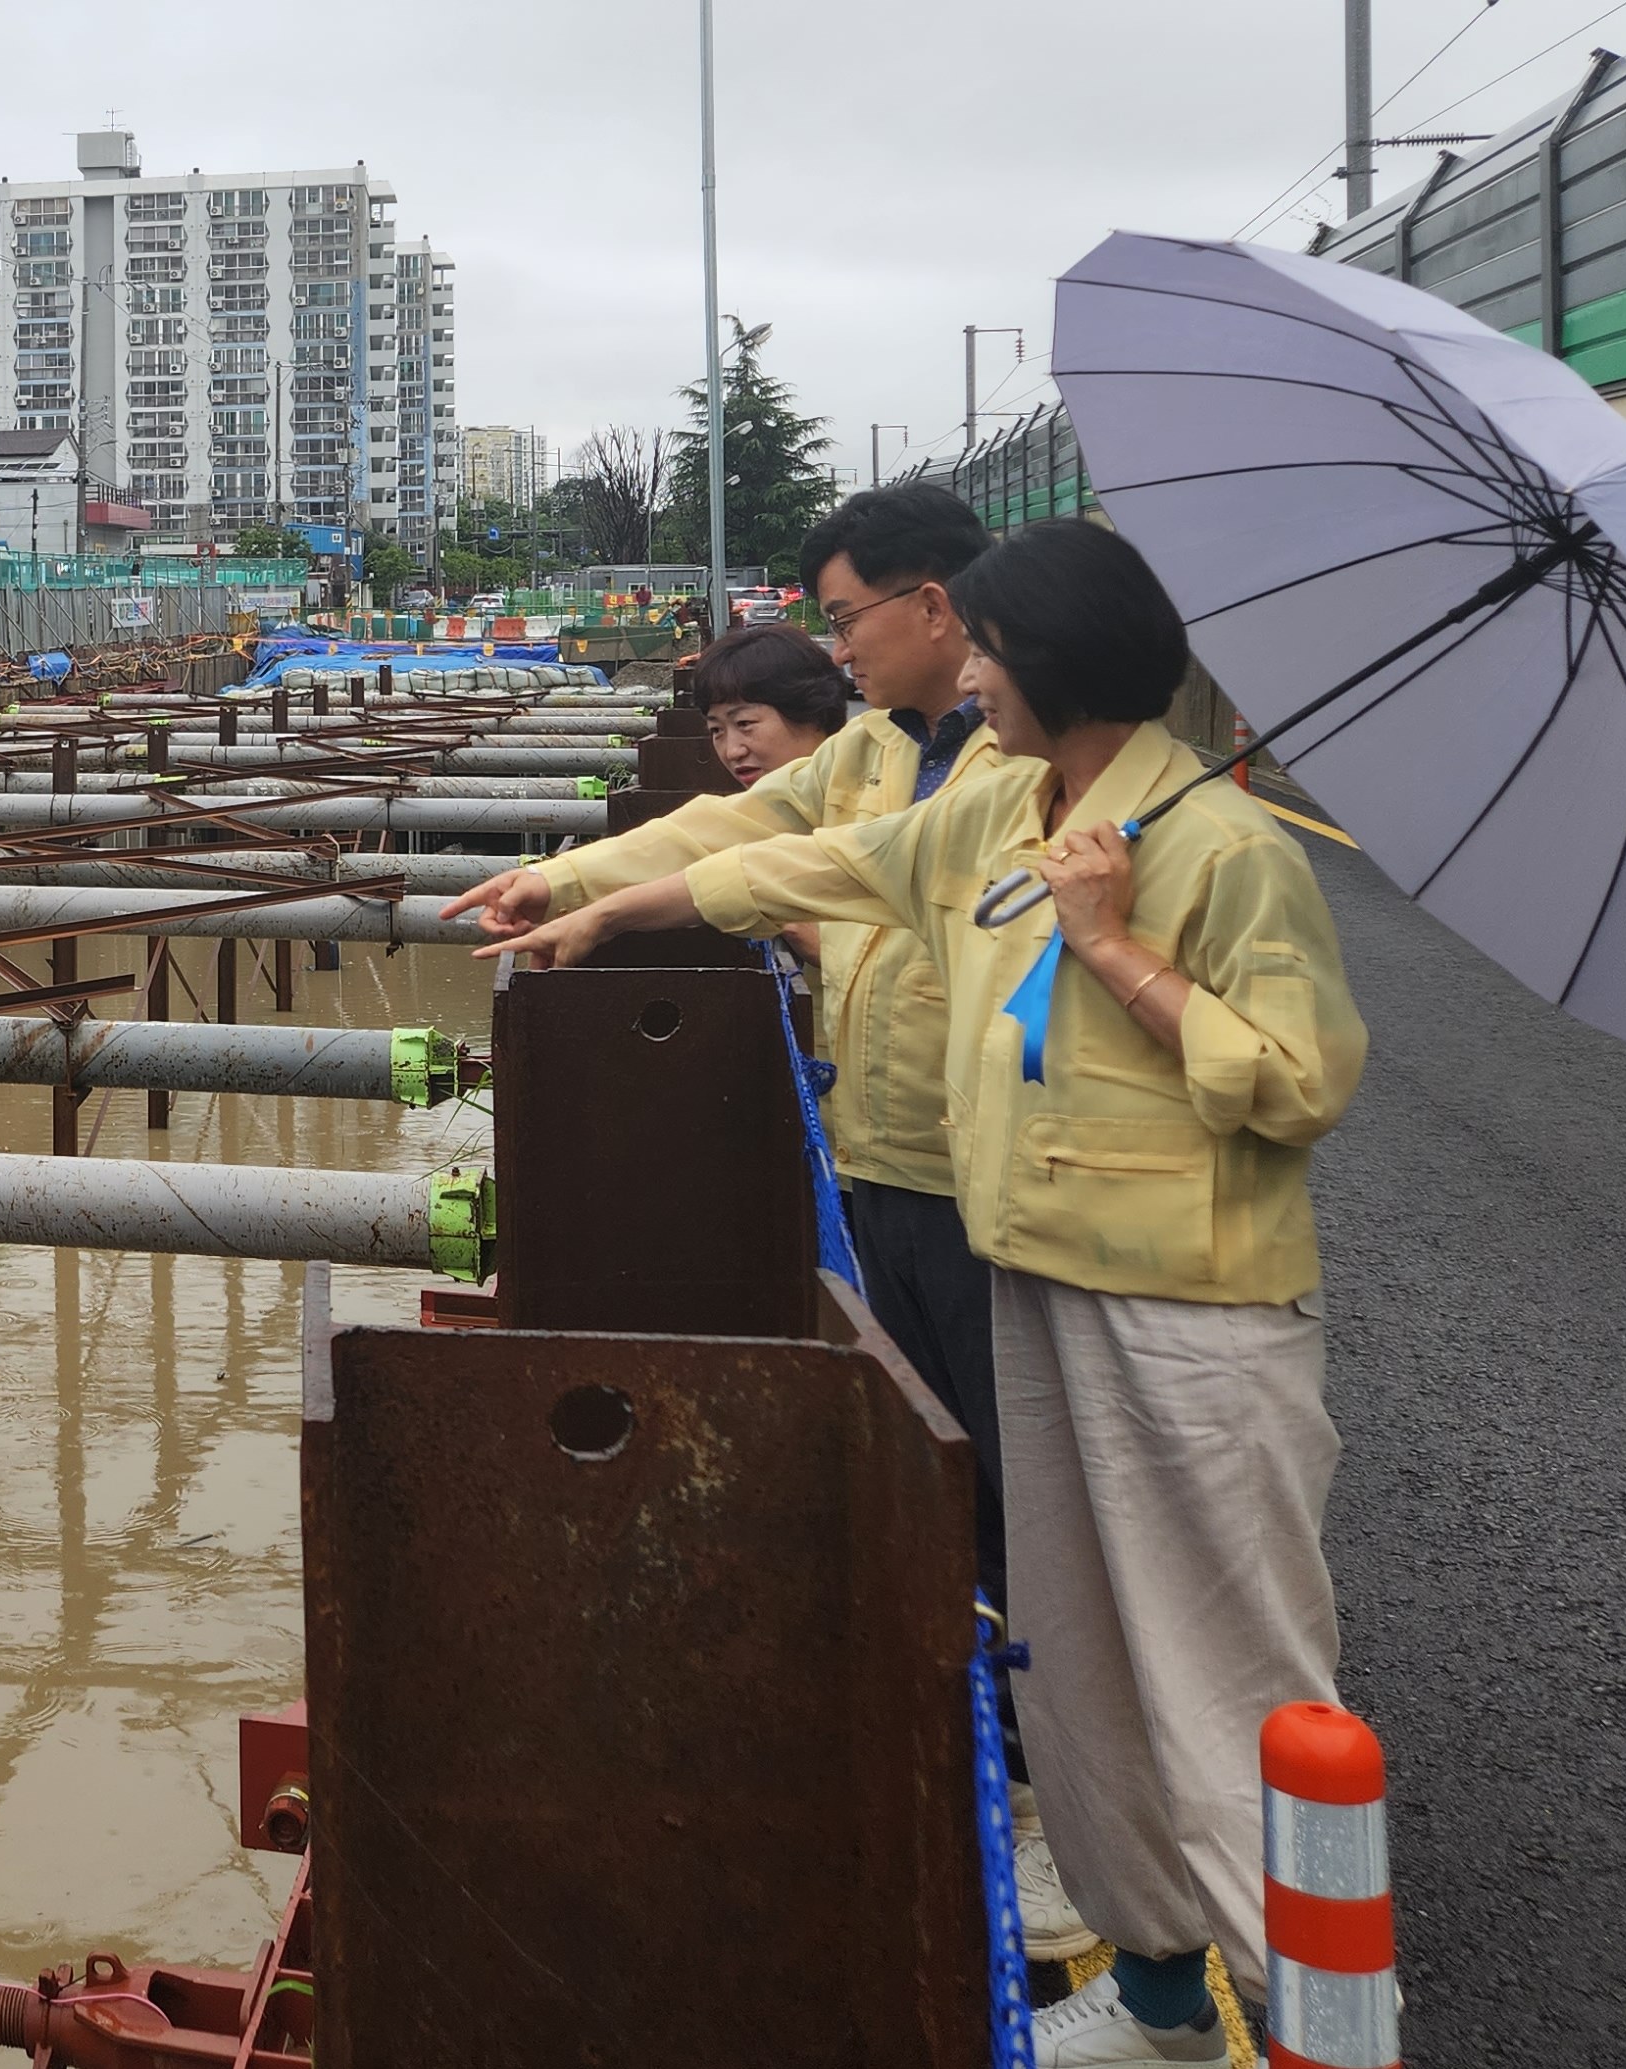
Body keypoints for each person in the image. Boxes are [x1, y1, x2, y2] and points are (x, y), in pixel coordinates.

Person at [481, 519, 1366, 2067]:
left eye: (993, 651)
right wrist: (609, 903)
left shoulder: (1227, 851)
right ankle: (1164, 1999)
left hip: (1186, 1310)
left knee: (1224, 1669)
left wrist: (1109, 946)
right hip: (1031, 1268)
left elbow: (1294, 1085)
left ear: (1052, 659)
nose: (971, 670)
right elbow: (821, 856)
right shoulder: (1000, 802)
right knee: (1081, 1651)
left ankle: (1327, 2023)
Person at [438, 485, 1078, 1955]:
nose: (838, 645)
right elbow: (739, 827)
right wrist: (564, 883)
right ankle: (996, 1743)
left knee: (1035, 1483)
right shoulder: (870, 750)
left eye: (849, 617)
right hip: (886, 1158)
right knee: (948, 1468)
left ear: (937, 603)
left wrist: (628, 907)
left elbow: (817, 874)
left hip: (1006, 1172)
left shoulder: (1022, 762)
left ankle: (1065, 1795)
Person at [688, 621, 848, 786]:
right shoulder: (747, 810)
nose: (732, 752)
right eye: (716, 730)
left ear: (815, 715)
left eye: (744, 723)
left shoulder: (868, 804)